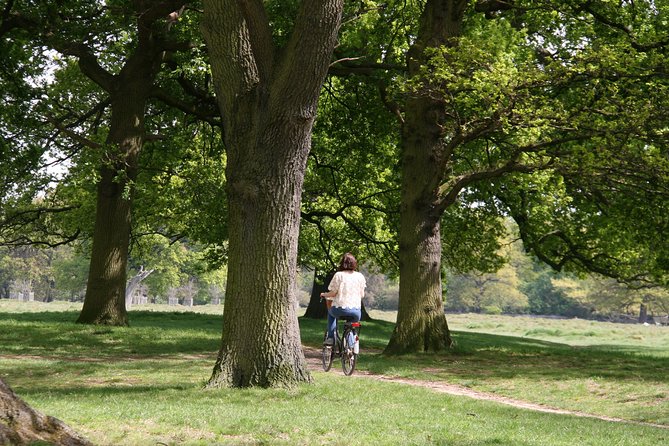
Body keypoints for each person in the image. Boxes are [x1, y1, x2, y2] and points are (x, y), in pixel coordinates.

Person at [320, 252, 366, 345]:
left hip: (340, 309)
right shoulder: (360, 276)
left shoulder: (339, 275)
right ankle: (351, 350)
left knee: (331, 314)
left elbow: (333, 293)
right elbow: (362, 295)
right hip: (356, 312)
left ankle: (330, 338)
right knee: (351, 327)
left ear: (342, 263)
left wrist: (324, 294)